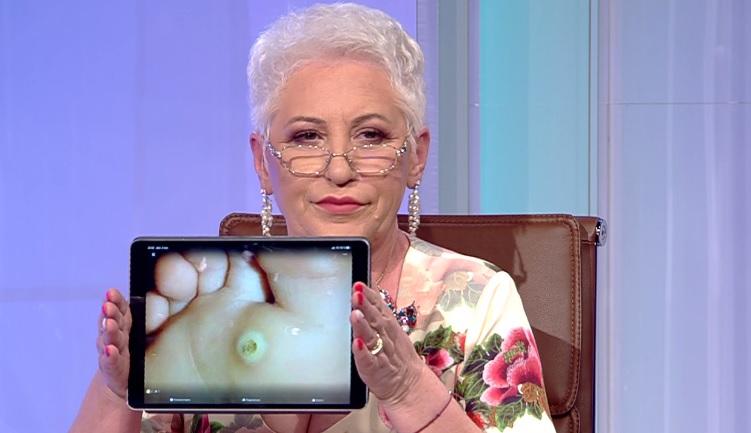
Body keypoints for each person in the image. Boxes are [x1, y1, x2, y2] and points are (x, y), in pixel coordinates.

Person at [70, 3, 556, 432]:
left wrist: (409, 391)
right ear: (263, 162)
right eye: (307, 137)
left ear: (417, 156)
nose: (339, 170)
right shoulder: (196, 302)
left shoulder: (475, 299)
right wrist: (117, 392)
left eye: (371, 136)